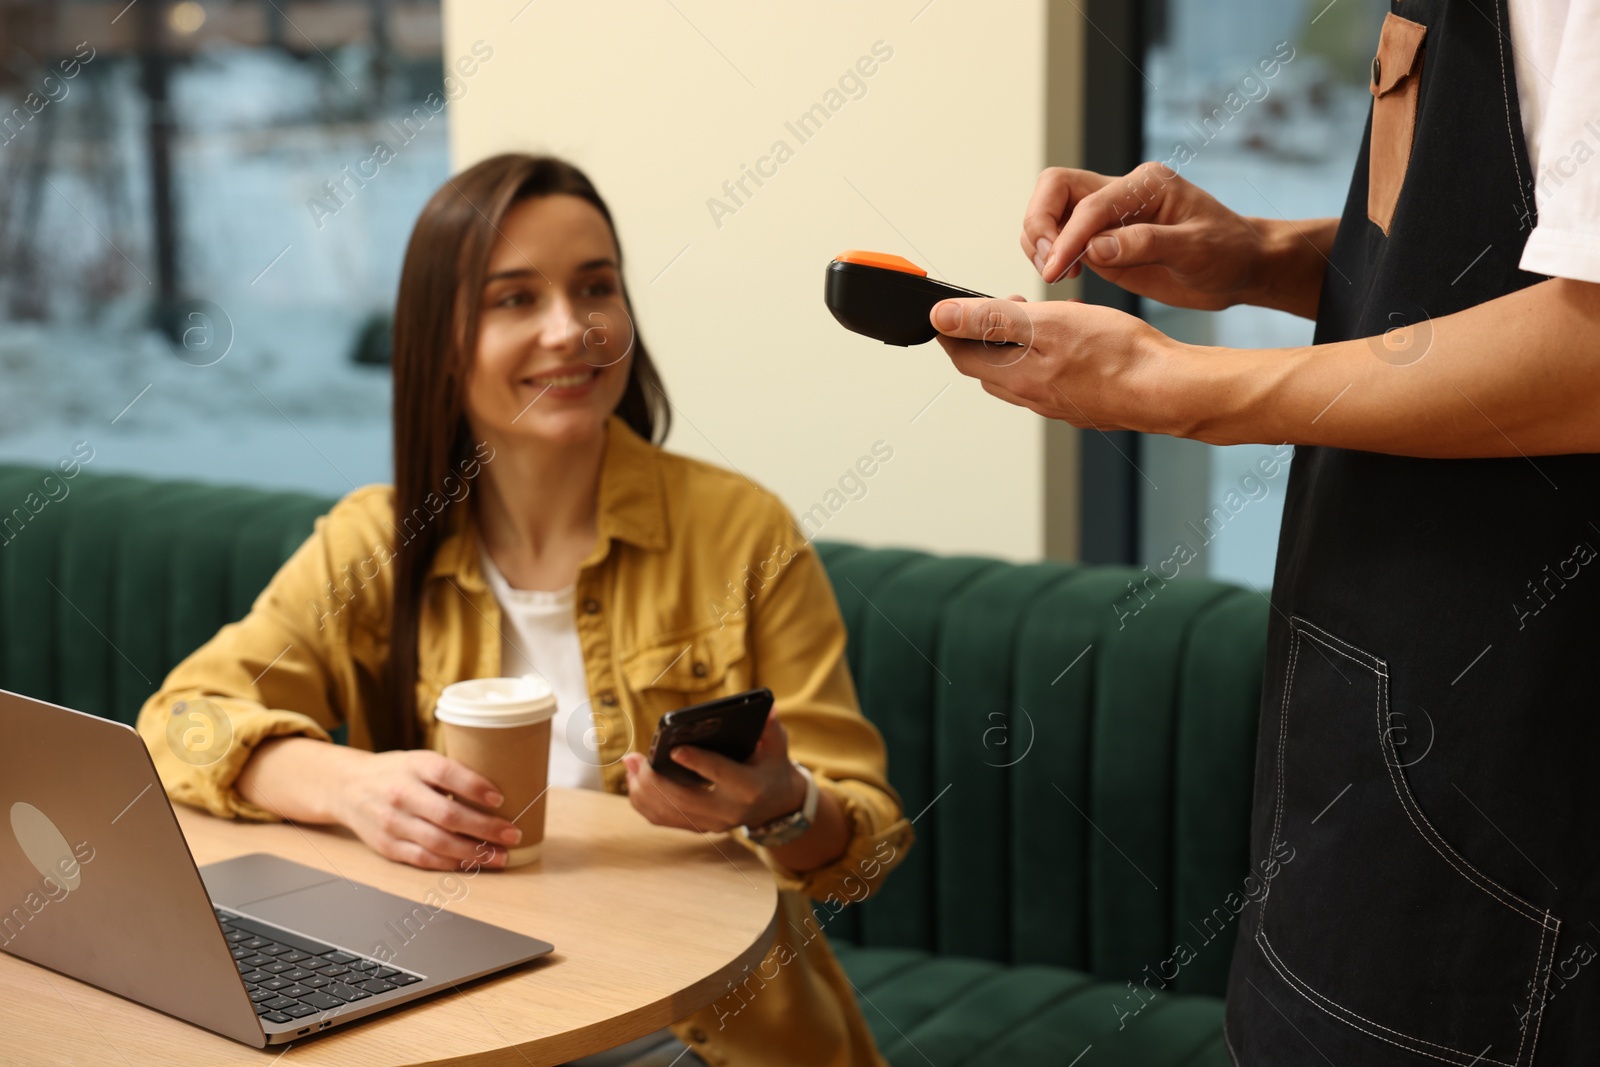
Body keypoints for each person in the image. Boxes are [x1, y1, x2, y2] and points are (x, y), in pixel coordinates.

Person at [929, 2, 1600, 1063]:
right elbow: (1490, 266)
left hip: (1511, 779)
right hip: (1357, 751)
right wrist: (1256, 256)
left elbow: (1589, 351)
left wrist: (1181, 387)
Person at [136, 153, 912, 1067]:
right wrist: (350, 788)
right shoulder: (374, 542)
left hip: (699, 1022)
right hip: (457, 1010)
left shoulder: (744, 532)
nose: (570, 329)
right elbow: (177, 723)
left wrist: (784, 804)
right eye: (514, 299)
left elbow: (864, 851)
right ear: (440, 337)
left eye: (597, 288)